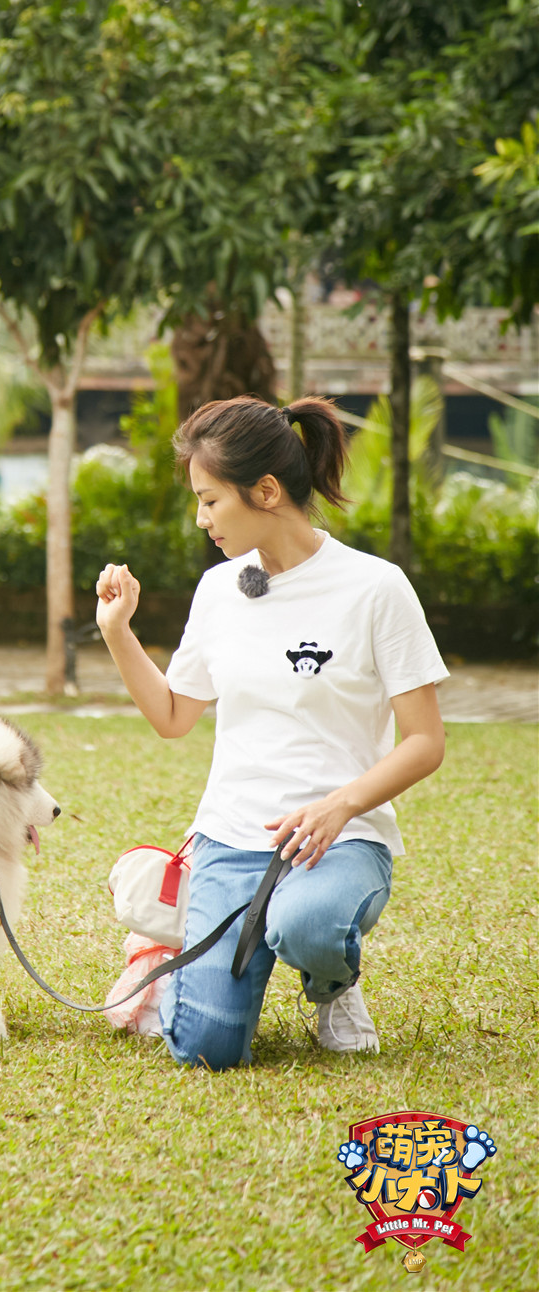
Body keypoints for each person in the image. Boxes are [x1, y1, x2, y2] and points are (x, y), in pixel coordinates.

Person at [95, 395, 447, 1069]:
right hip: (230, 840)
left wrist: (339, 805)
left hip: (339, 842)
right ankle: (170, 948)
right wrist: (119, 634)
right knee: (207, 1050)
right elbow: (174, 717)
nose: (201, 520)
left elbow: (424, 742)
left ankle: (333, 985)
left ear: (266, 490)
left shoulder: (376, 588)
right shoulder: (221, 590)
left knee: (306, 925)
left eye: (210, 501)